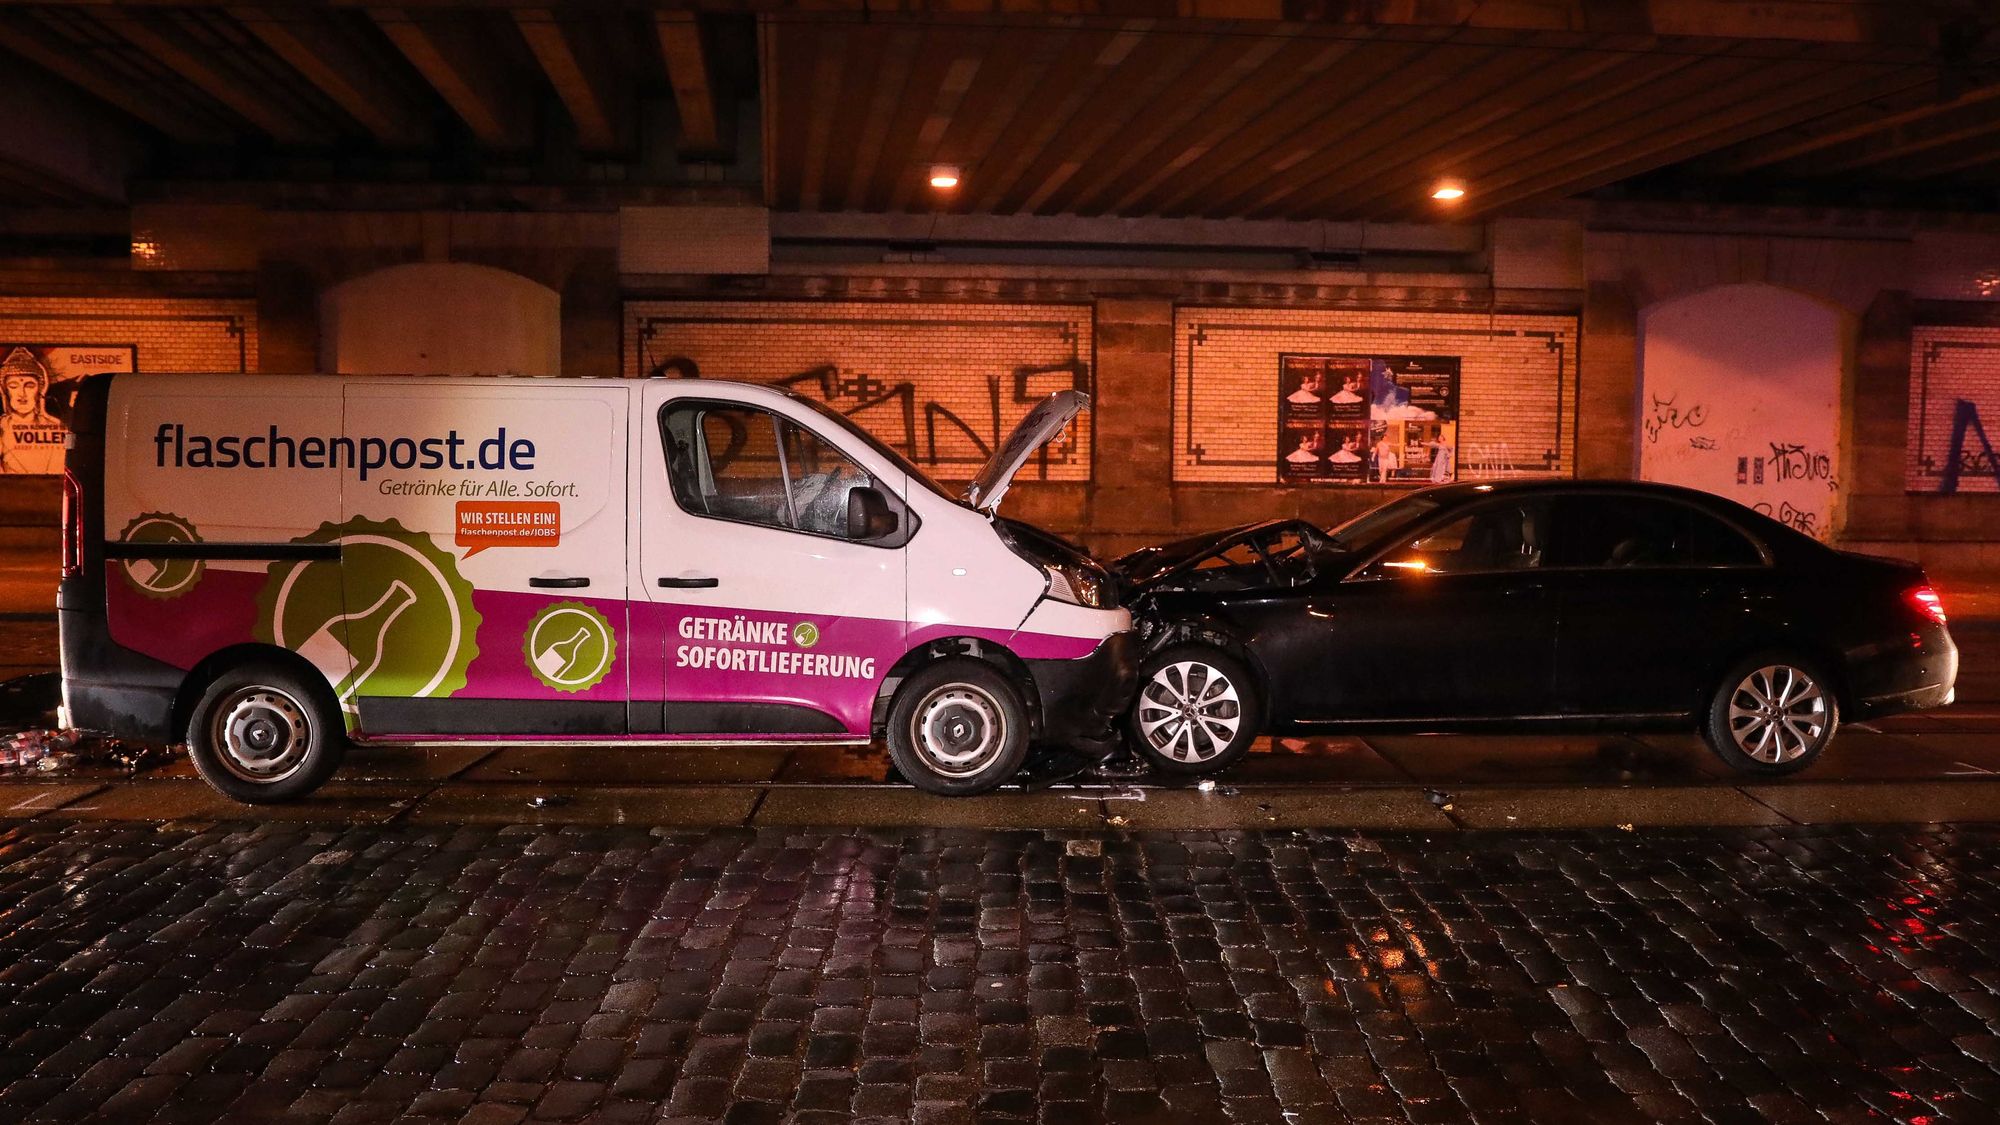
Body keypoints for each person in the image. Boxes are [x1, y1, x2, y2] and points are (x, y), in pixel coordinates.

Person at [1, 347, 63, 474]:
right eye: (13, 386)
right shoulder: (2, 426)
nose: (22, 394)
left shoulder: (57, 427)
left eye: (29, 386)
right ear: (6, 391)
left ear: (40, 390)